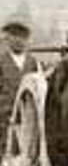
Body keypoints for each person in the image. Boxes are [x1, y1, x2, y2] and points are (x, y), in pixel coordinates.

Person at [0, 13, 39, 155]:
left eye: (23, 36)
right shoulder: (2, 62)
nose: (19, 40)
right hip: (5, 120)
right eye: (14, 35)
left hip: (28, 122)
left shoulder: (33, 63)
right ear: (7, 38)